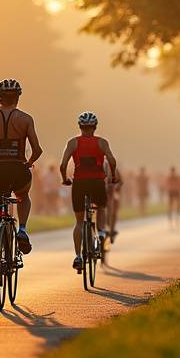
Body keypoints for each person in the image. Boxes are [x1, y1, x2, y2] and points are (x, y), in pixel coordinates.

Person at [0, 79, 43, 285]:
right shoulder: (25, 119)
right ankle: (22, 229)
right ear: (18, 97)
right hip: (18, 168)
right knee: (23, 196)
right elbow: (38, 149)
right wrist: (28, 162)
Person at [59, 112, 118, 272]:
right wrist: (112, 176)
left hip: (79, 182)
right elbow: (112, 160)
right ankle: (100, 232)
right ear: (95, 127)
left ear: (80, 127)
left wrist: (64, 179)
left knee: (79, 222)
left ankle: (78, 256)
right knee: (101, 208)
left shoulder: (73, 143)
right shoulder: (102, 142)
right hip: (97, 182)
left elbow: (63, 165)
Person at [166, 166, 180, 230]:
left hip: (171, 192)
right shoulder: (177, 176)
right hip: (176, 191)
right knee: (178, 205)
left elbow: (167, 185)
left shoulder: (169, 176)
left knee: (170, 206)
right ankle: (178, 212)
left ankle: (170, 217)